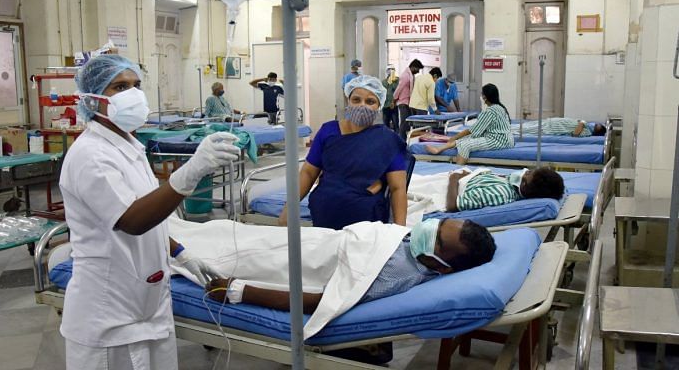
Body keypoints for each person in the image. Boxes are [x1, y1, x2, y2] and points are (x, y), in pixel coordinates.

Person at [60, 55, 240, 369]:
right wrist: (189, 172)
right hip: (110, 316)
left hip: (149, 308)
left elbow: (148, 211)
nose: (133, 93)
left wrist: (180, 253)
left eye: (136, 85)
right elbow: (132, 220)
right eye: (120, 87)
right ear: (92, 98)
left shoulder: (129, 146)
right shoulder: (91, 155)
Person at [206, 218, 495, 313]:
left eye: (438, 241)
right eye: (439, 223)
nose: (429, 229)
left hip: (305, 259)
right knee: (226, 228)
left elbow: (325, 302)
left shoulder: (398, 276)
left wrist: (240, 292)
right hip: (319, 239)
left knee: (215, 248)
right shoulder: (415, 247)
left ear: (444, 267)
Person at [278, 75, 408, 230]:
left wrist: (400, 230)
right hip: (324, 213)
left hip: (365, 221)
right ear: (348, 101)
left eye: (370, 101)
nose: (362, 106)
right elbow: (308, 173)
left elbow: (397, 188)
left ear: (379, 105)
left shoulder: (387, 140)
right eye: (356, 100)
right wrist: (289, 207)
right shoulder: (328, 132)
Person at [426, 84, 514, 165]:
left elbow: (472, 130)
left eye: (482, 94)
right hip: (506, 139)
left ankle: (457, 171)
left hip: (499, 140)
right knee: (466, 138)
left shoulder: (490, 111)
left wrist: (454, 137)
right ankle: (440, 148)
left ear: (485, 97)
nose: (481, 96)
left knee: (465, 145)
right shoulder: (500, 107)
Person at [445, 167, 565, 212]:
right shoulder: (509, 182)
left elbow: (453, 205)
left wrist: (454, 178)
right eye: (529, 170)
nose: (524, 171)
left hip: (445, 188)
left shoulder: (500, 193)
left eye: (528, 173)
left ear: (524, 186)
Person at [394, 59, 424, 140]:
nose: (418, 71)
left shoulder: (411, 75)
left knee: (409, 122)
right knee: (404, 122)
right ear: (413, 67)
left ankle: (407, 139)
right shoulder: (405, 76)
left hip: (408, 102)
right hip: (403, 102)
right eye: (418, 69)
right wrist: (394, 99)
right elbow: (399, 89)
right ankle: (402, 140)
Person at [512, 117, 607, 137]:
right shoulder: (585, 124)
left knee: (526, 129)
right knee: (525, 125)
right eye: (596, 124)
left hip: (550, 128)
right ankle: (508, 127)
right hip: (551, 122)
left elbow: (575, 134)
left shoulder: (587, 132)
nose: (594, 125)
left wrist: (582, 123)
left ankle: (508, 131)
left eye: (596, 127)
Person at [381, 64, 399, 132]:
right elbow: (382, 93)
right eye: (389, 69)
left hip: (394, 105)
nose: (391, 71)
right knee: (385, 124)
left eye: (392, 69)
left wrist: (393, 81)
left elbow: (398, 91)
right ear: (387, 71)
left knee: (395, 123)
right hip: (385, 105)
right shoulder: (384, 82)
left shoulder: (397, 80)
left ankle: (396, 138)